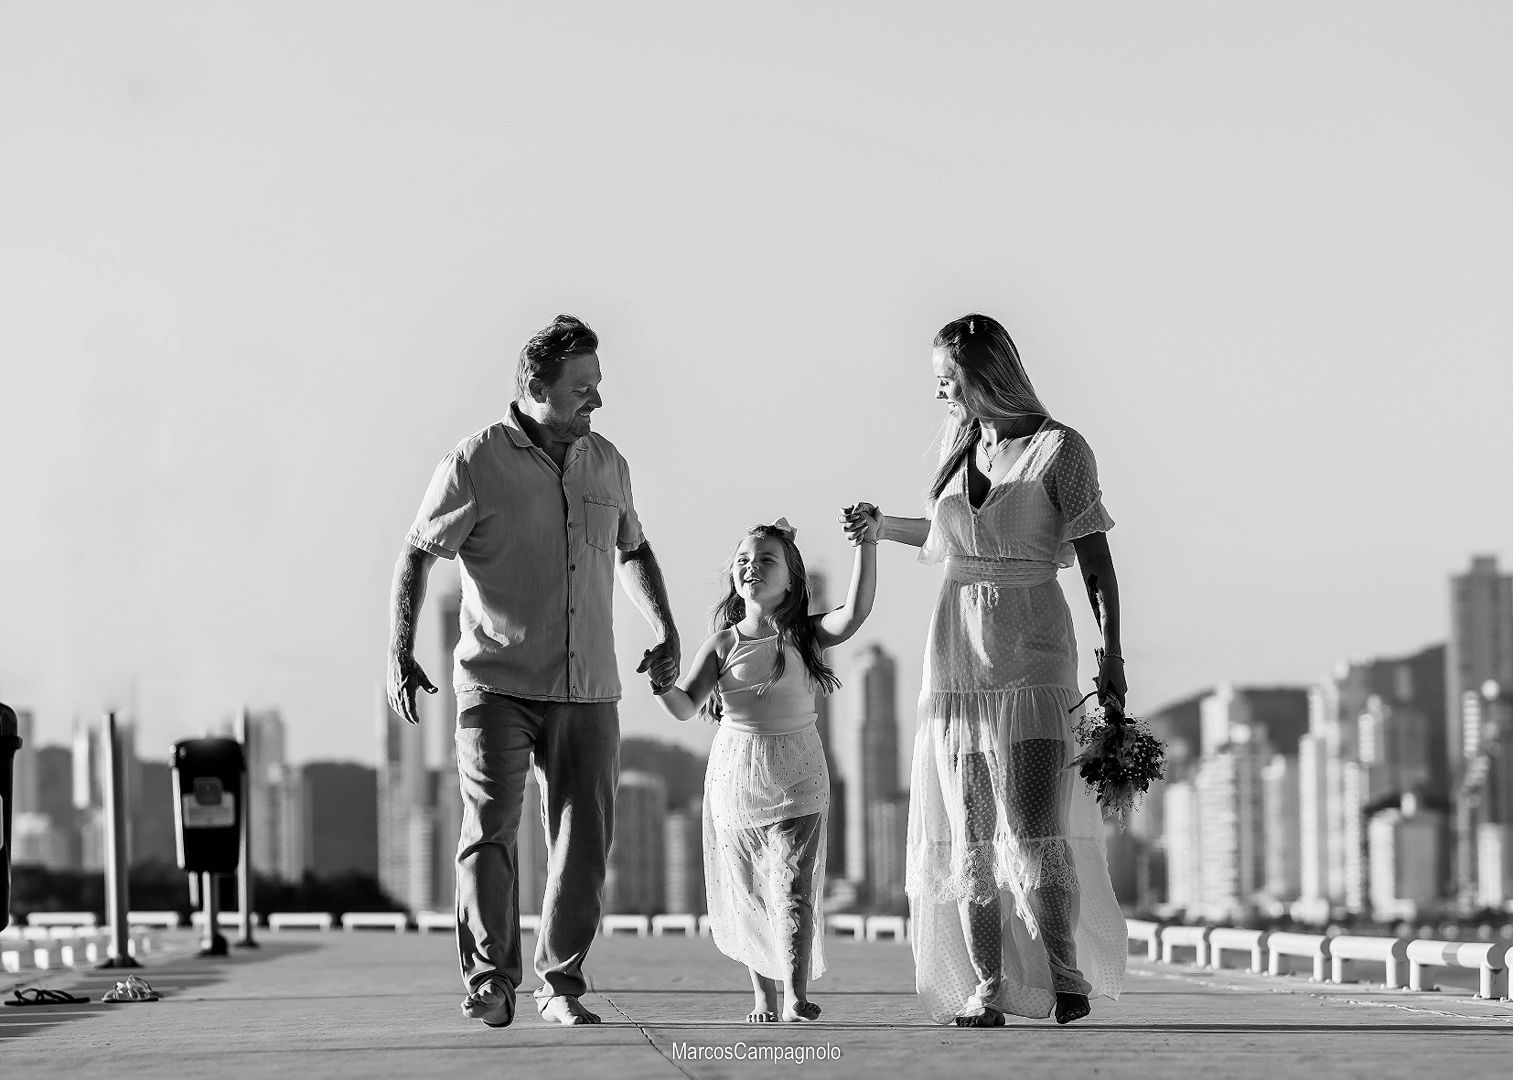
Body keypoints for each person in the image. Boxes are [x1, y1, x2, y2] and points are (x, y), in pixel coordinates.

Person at [387, 314, 680, 1029]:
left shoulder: (608, 462)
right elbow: (417, 553)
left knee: (584, 840)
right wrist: (400, 649)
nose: (597, 402)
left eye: (598, 387)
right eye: (582, 389)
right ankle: (490, 979)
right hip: (496, 681)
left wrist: (665, 627)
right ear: (534, 386)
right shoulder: (475, 461)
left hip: (589, 688)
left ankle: (561, 982)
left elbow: (633, 547)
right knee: (490, 827)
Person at [842, 313, 1127, 1027]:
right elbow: (944, 537)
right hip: (956, 662)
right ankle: (987, 990)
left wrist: (1111, 655)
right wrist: (881, 528)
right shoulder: (958, 443)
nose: (938, 389)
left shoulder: (1059, 449)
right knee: (968, 834)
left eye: (947, 377)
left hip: (1032, 655)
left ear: (982, 374)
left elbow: (1095, 560)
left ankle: (1064, 977)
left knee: (1031, 828)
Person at [651, 516, 877, 1022]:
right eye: (744, 562)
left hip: (799, 768)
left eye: (766, 560)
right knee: (749, 889)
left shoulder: (807, 634)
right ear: (734, 576)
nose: (752, 567)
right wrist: (662, 685)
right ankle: (763, 996)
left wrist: (867, 544)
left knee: (793, 883)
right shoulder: (723, 643)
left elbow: (856, 613)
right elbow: (687, 706)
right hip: (738, 772)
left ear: (792, 578)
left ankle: (795, 996)